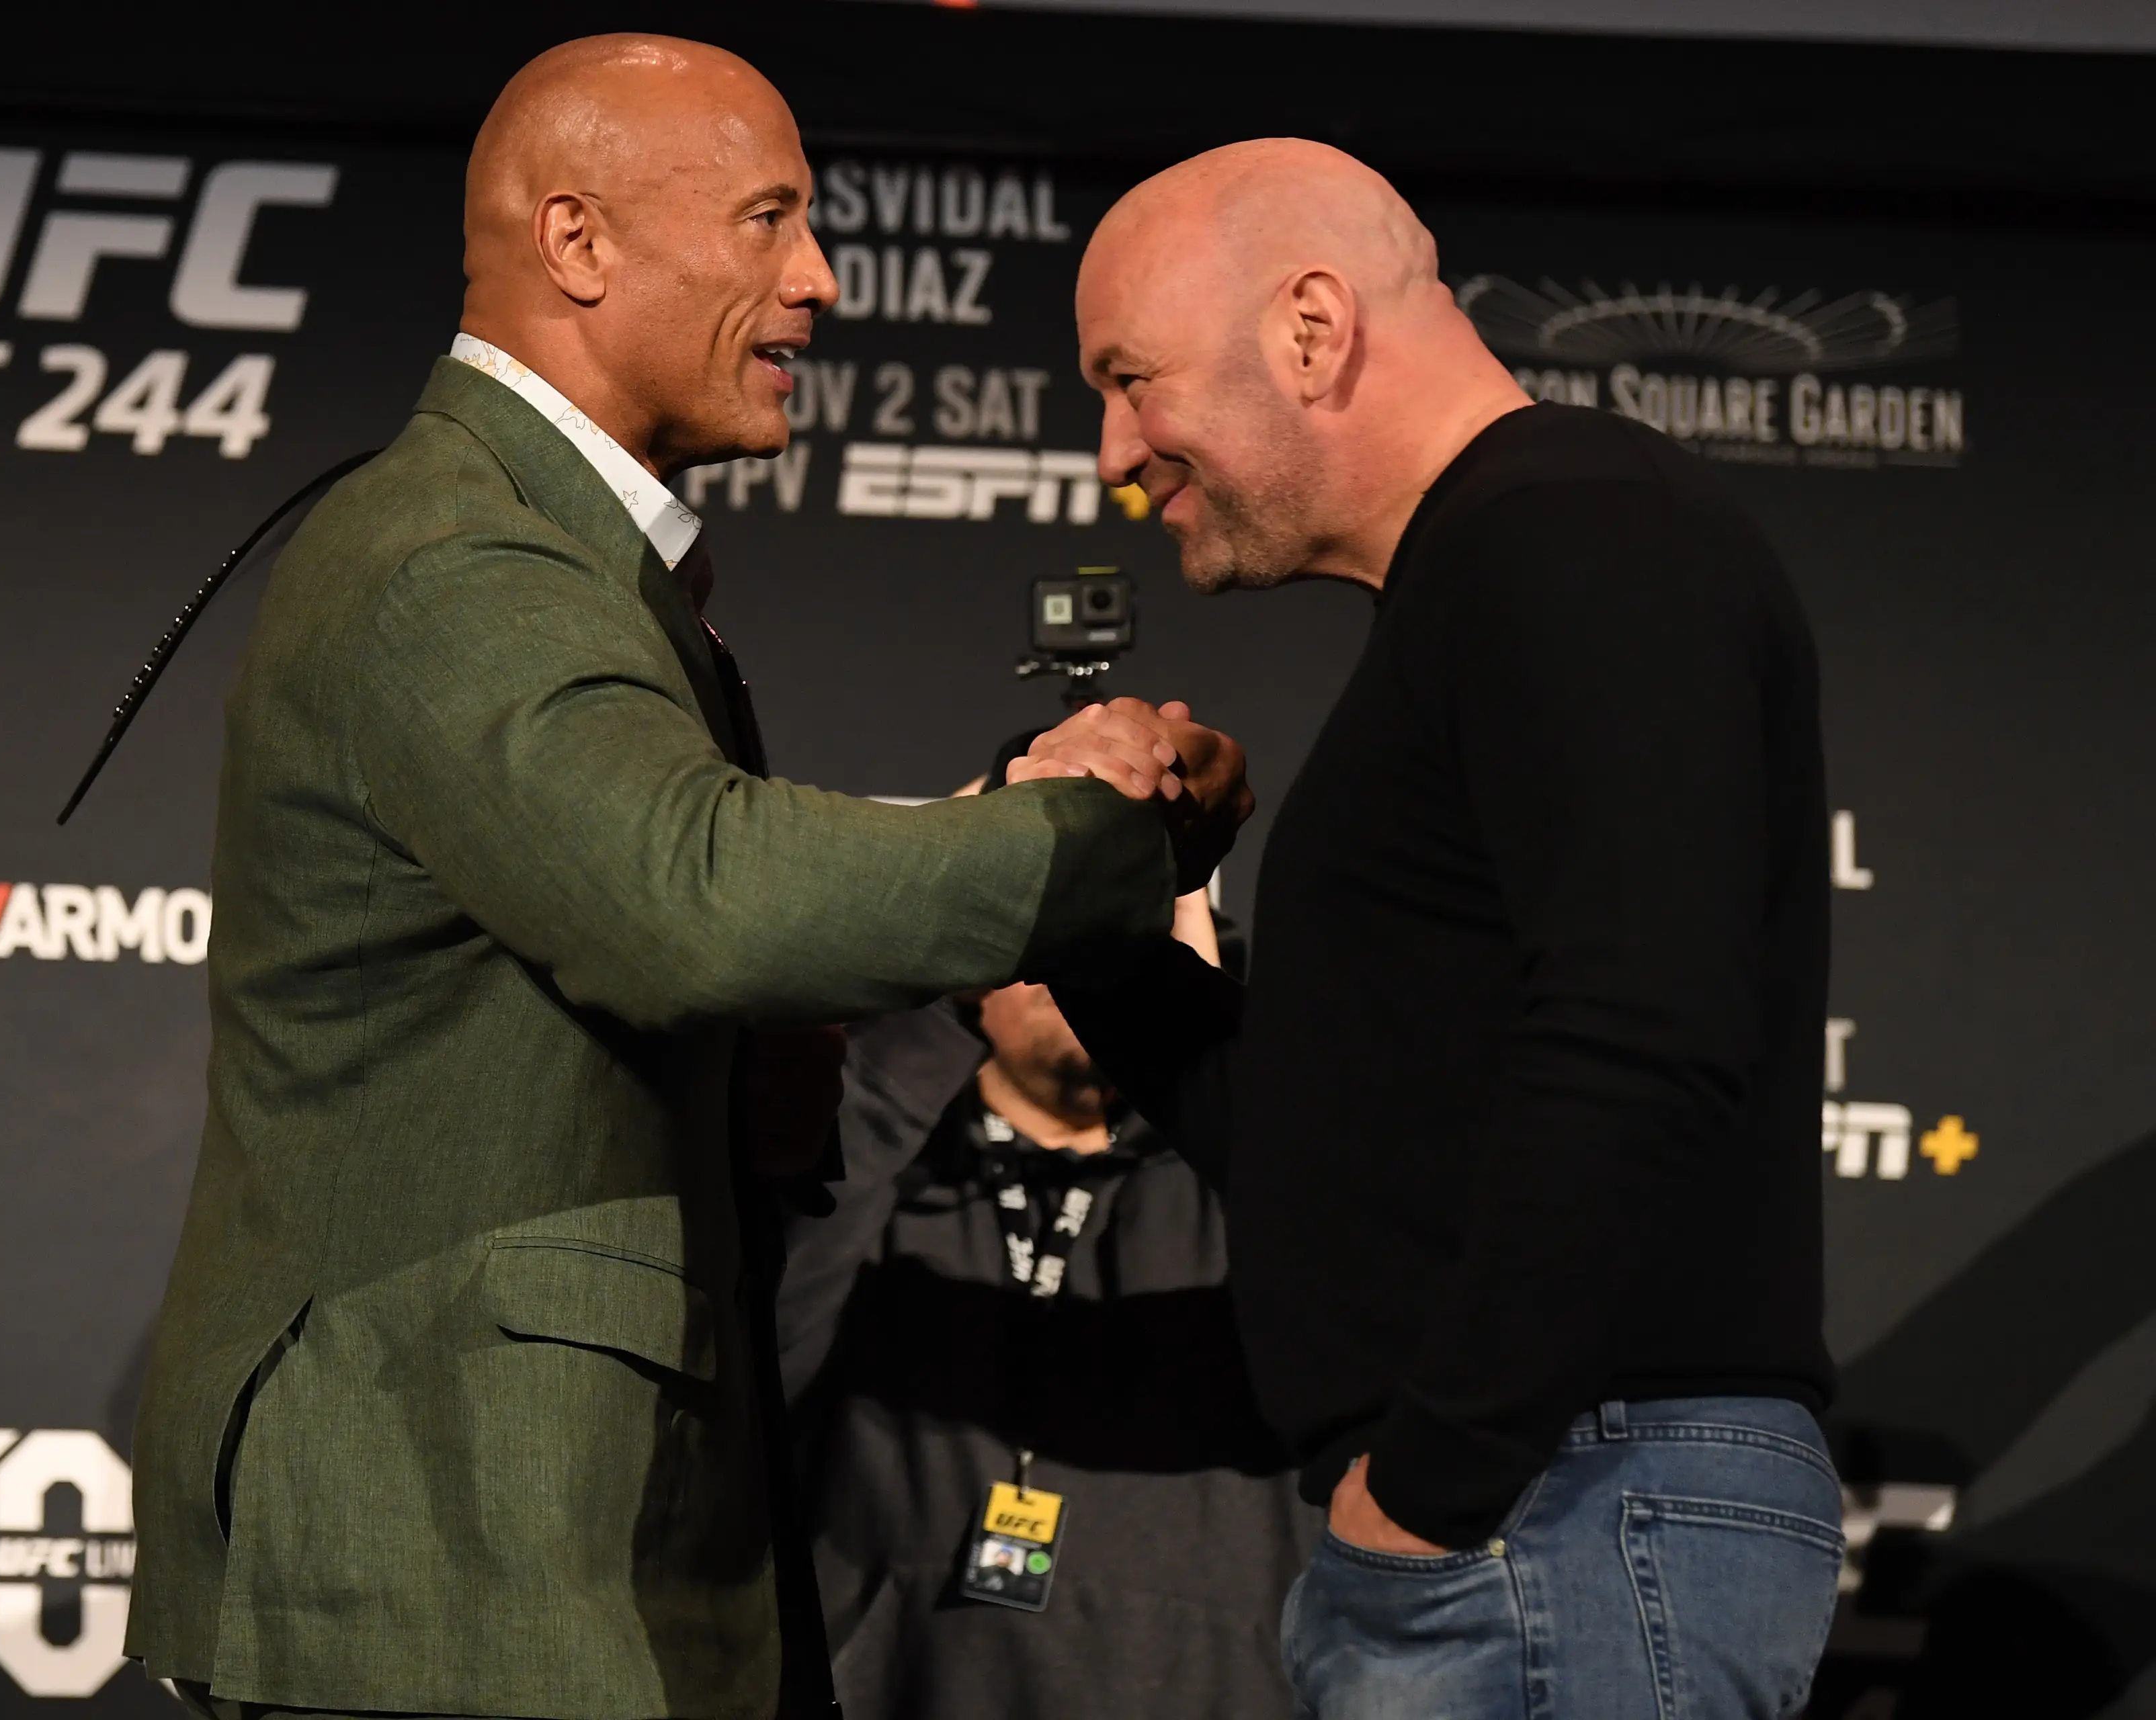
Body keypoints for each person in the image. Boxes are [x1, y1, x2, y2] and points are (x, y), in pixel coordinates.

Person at [122, 34, 1248, 1720]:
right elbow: (701, 902)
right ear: (579, 244)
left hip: (527, 1536)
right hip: (444, 1545)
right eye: (768, 220)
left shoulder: (560, 561)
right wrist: (1100, 834)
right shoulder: (460, 558)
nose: (819, 276)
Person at [1019, 140, 1843, 1717]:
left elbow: (1646, 1027)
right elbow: (1301, 1145)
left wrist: (1434, 1483)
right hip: (1527, 1515)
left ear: (1313, 329)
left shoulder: (1580, 532)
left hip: (1568, 1507)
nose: (1114, 451)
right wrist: (1089, 884)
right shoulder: (1488, 580)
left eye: (1131, 379)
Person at [779, 767, 1315, 1720]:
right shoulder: (879, 1167)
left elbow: (1339, 1284)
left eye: (1107, 920)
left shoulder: (1251, 1184)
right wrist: (953, 891)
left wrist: (1198, 1022)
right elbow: (769, 1337)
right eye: (1044, 929)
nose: (1071, 960)